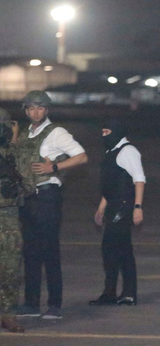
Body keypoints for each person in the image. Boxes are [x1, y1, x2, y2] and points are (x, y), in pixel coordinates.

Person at [15, 90, 87, 320]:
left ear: (47, 110)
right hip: (28, 198)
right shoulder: (26, 133)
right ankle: (31, 303)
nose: (36, 112)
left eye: (40, 108)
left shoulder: (56, 133)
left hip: (47, 197)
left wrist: (54, 167)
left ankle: (55, 305)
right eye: (31, 108)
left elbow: (81, 156)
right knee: (30, 253)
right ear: (26, 110)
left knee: (50, 252)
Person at [89, 118, 145, 306]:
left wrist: (137, 207)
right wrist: (101, 206)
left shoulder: (128, 151)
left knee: (120, 250)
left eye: (107, 132)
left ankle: (127, 293)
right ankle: (111, 293)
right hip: (113, 205)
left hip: (124, 206)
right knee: (111, 251)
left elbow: (139, 179)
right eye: (103, 132)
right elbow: (111, 184)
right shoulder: (111, 151)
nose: (104, 136)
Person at [0, 108, 26, 333]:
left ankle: (8, 315)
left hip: (8, 215)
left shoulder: (13, 154)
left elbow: (29, 183)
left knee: (10, 268)